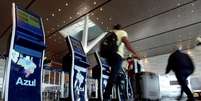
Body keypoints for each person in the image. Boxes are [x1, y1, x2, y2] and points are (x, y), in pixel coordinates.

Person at [103, 24, 141, 100]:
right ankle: (107, 96)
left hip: (108, 57)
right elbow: (127, 43)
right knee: (115, 76)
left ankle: (118, 94)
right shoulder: (122, 32)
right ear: (120, 28)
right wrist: (135, 53)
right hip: (117, 56)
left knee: (116, 76)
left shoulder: (110, 33)